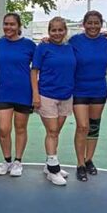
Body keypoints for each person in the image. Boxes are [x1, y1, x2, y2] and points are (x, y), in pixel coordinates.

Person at [31, 17, 76, 186]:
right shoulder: (42, 48)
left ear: (65, 31)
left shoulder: (70, 48)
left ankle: (49, 164)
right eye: (53, 30)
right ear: (49, 31)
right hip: (47, 95)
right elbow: (34, 71)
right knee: (52, 131)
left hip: (66, 96)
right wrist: (36, 95)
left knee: (56, 132)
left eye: (60, 30)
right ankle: (53, 170)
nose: (57, 33)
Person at [69, 11, 107, 182]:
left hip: (99, 89)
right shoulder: (75, 41)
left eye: (96, 23)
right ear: (84, 24)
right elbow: (59, 46)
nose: (93, 26)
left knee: (93, 126)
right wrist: (47, 40)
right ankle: (80, 164)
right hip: (79, 89)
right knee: (82, 126)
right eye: (90, 23)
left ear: (101, 24)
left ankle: (88, 160)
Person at [0, 13, 36, 177]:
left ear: (19, 26)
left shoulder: (29, 45)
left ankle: (18, 161)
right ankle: (7, 160)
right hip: (4, 92)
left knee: (20, 128)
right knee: (3, 129)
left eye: (12, 24)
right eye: (6, 24)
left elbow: (39, 64)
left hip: (24, 92)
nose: (8, 27)